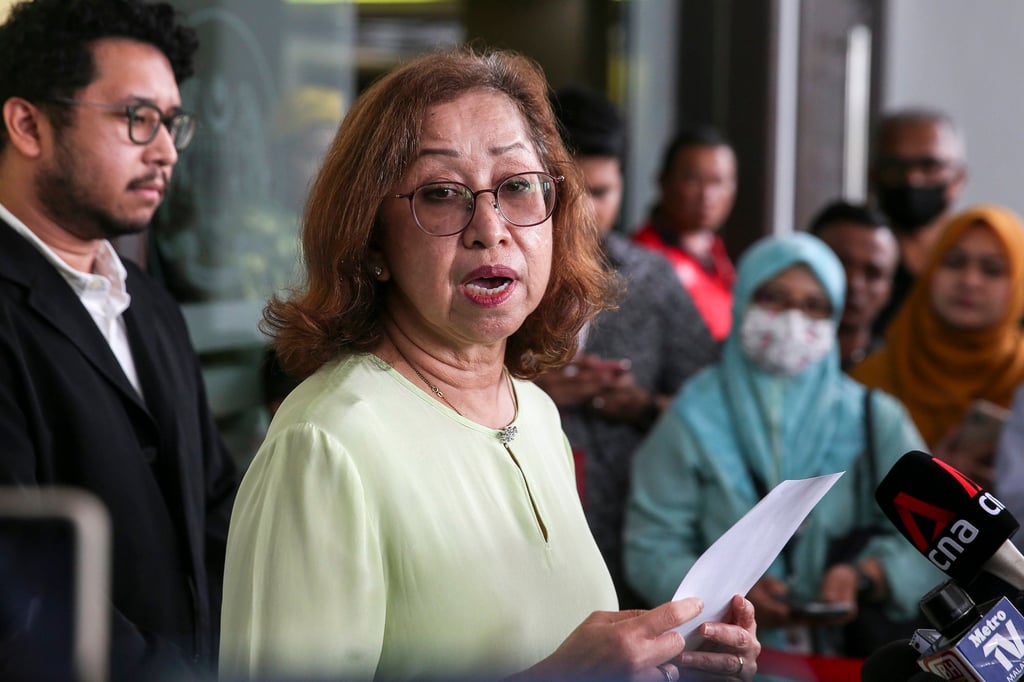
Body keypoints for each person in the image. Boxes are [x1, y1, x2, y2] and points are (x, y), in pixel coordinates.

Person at [219, 47, 761, 682]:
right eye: (443, 194)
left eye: (517, 186)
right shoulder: (326, 443)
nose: (490, 226)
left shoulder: (533, 410)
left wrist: (666, 660)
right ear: (371, 242)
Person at [0, 0, 238, 680]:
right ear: (28, 124)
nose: (164, 149)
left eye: (170, 123)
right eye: (136, 118)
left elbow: (214, 504)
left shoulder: (150, 302)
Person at [624, 233, 940, 656]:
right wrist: (726, 597)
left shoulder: (874, 418)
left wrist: (868, 576)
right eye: (773, 297)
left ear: (836, 317)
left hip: (846, 658)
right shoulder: (691, 416)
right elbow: (651, 547)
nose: (794, 318)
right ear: (742, 301)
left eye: (814, 306)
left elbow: (933, 531)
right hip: (721, 659)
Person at [534, 86, 720, 610]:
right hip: (519, 522)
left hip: (630, 530)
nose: (585, 213)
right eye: (567, 192)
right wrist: (529, 389)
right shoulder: (501, 274)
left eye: (602, 192)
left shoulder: (650, 279)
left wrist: (641, 407)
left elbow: (710, 406)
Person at [851, 204, 1024, 490]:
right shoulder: (871, 381)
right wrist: (930, 481)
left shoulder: (1020, 380)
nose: (970, 281)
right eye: (954, 262)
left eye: (992, 270)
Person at [632, 126, 738, 341]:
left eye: (718, 182)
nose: (707, 195)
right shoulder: (641, 258)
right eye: (693, 180)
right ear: (663, 181)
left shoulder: (714, 249)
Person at [870, 108, 967, 335]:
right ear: (874, 175)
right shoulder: (856, 262)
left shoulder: (985, 263)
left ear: (958, 179)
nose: (912, 178)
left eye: (929, 166)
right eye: (896, 166)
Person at [808, 200, 898, 369]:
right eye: (839, 264)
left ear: (889, 290)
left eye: (873, 274)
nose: (853, 283)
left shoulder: (897, 377)